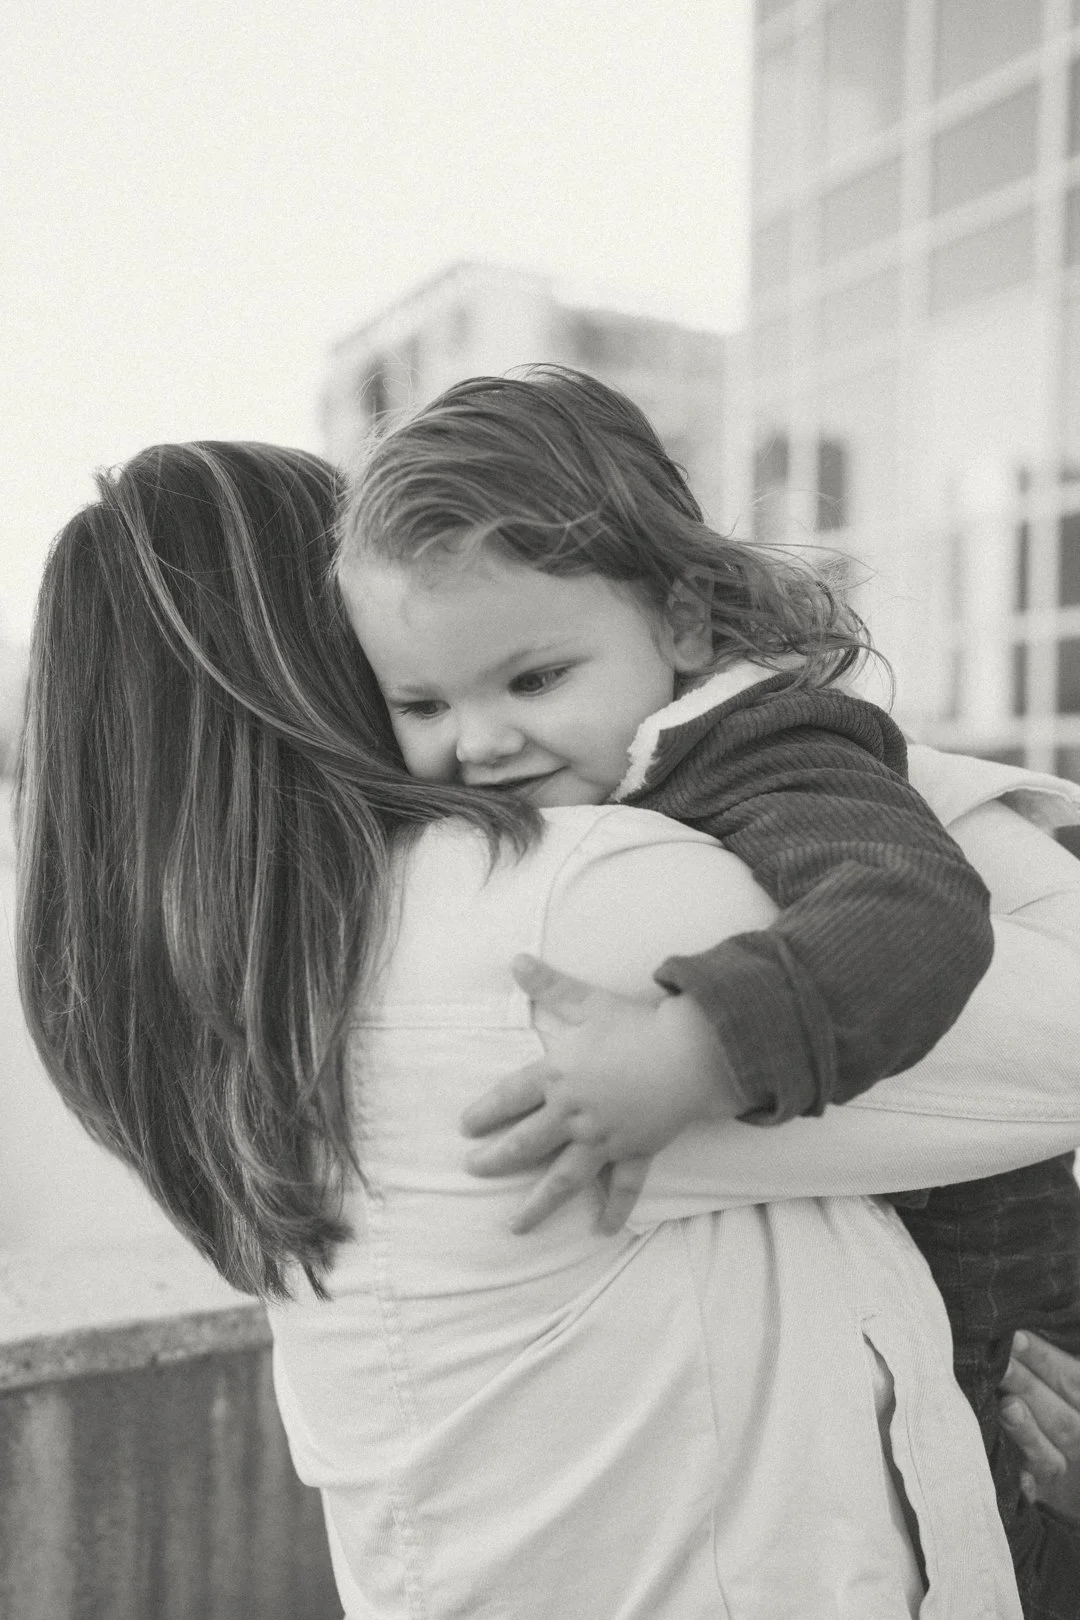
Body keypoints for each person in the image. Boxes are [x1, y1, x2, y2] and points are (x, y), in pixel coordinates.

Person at [16, 439, 1080, 1618]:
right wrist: (793, 724)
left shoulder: (254, 989)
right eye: (418, 685)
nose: (479, 738)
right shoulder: (551, 907)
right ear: (332, 652)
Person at [337, 366, 1080, 1616]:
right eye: (421, 703)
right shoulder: (629, 766)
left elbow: (910, 916)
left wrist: (698, 1052)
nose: (477, 746)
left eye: (531, 682)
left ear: (683, 625)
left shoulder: (765, 743)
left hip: (999, 1324)